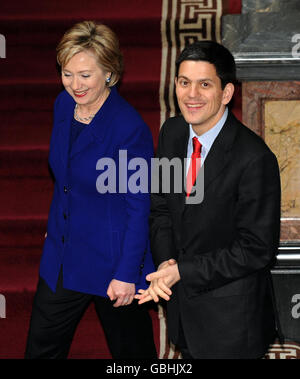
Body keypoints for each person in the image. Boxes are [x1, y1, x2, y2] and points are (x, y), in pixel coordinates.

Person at [136, 41, 281, 359]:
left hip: (231, 323)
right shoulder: (171, 133)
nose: (191, 95)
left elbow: (256, 249)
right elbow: (160, 207)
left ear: (227, 93)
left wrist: (183, 270)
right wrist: (165, 263)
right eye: (184, 82)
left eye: (205, 84)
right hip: (183, 315)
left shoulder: (254, 158)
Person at [25, 21, 157, 359]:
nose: (74, 85)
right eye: (67, 73)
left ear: (110, 73)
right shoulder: (62, 105)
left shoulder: (129, 129)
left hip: (113, 264)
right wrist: (58, 225)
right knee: (41, 350)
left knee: (133, 358)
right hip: (64, 255)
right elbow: (65, 176)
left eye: (85, 75)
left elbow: (138, 207)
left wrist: (128, 274)